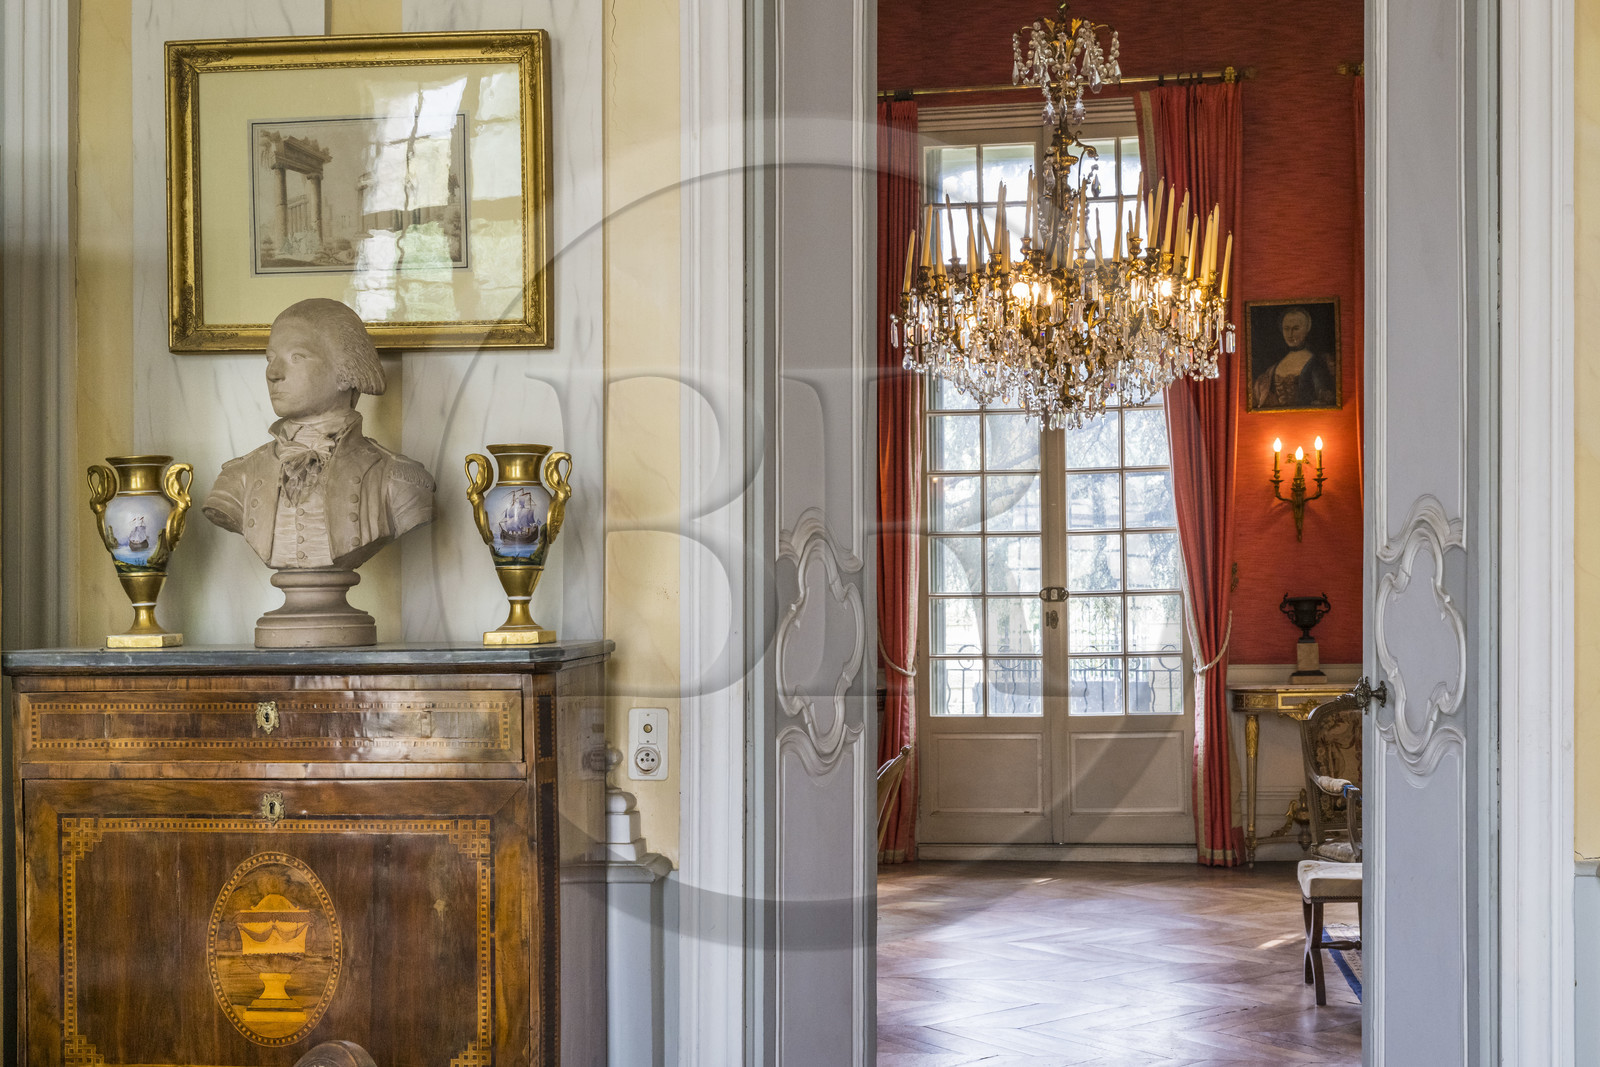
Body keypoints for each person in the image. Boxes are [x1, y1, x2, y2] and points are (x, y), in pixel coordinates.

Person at [203, 298, 435, 570]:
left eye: (296, 357)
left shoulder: (400, 480)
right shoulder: (237, 478)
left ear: (346, 372)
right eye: (270, 359)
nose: (273, 373)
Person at [1251, 306, 1337, 410]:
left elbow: (1325, 400)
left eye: (1296, 329)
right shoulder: (1274, 367)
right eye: (1286, 329)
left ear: (1306, 329)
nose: (1290, 334)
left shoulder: (1317, 362)